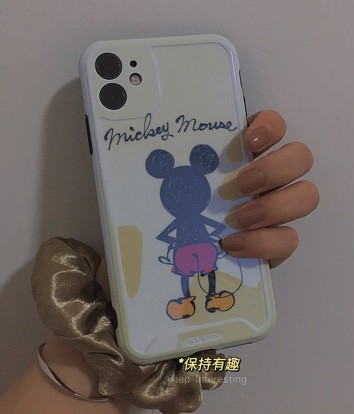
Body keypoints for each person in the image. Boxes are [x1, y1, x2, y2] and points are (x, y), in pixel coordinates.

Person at [0, 110, 319, 414]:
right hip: (187, 255)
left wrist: (230, 226)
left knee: (203, 275)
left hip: (197, 253)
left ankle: (208, 297)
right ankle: (193, 299)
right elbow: (169, 233)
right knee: (193, 277)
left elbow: (197, 228)